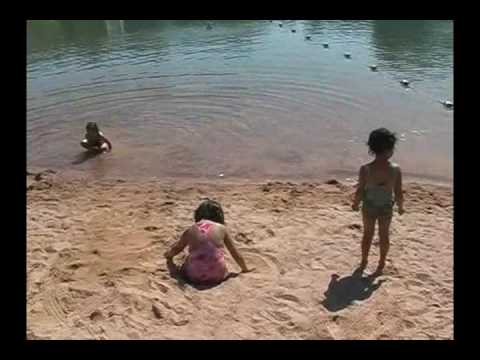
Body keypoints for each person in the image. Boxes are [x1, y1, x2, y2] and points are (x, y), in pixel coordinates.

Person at [352, 128, 405, 275]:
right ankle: (381, 262)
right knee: (384, 235)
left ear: (372, 149)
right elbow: (399, 192)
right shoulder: (395, 170)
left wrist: (355, 204)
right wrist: (401, 207)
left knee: (367, 234)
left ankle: (364, 260)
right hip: (386, 208)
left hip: (369, 206)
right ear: (390, 150)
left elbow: (360, 190)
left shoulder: (365, 169)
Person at [164, 199, 254, 285]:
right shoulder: (222, 228)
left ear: (198, 214)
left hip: (194, 276)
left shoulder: (190, 229)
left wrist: (168, 255)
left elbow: (177, 248)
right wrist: (245, 269)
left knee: (186, 261)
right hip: (218, 275)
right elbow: (234, 252)